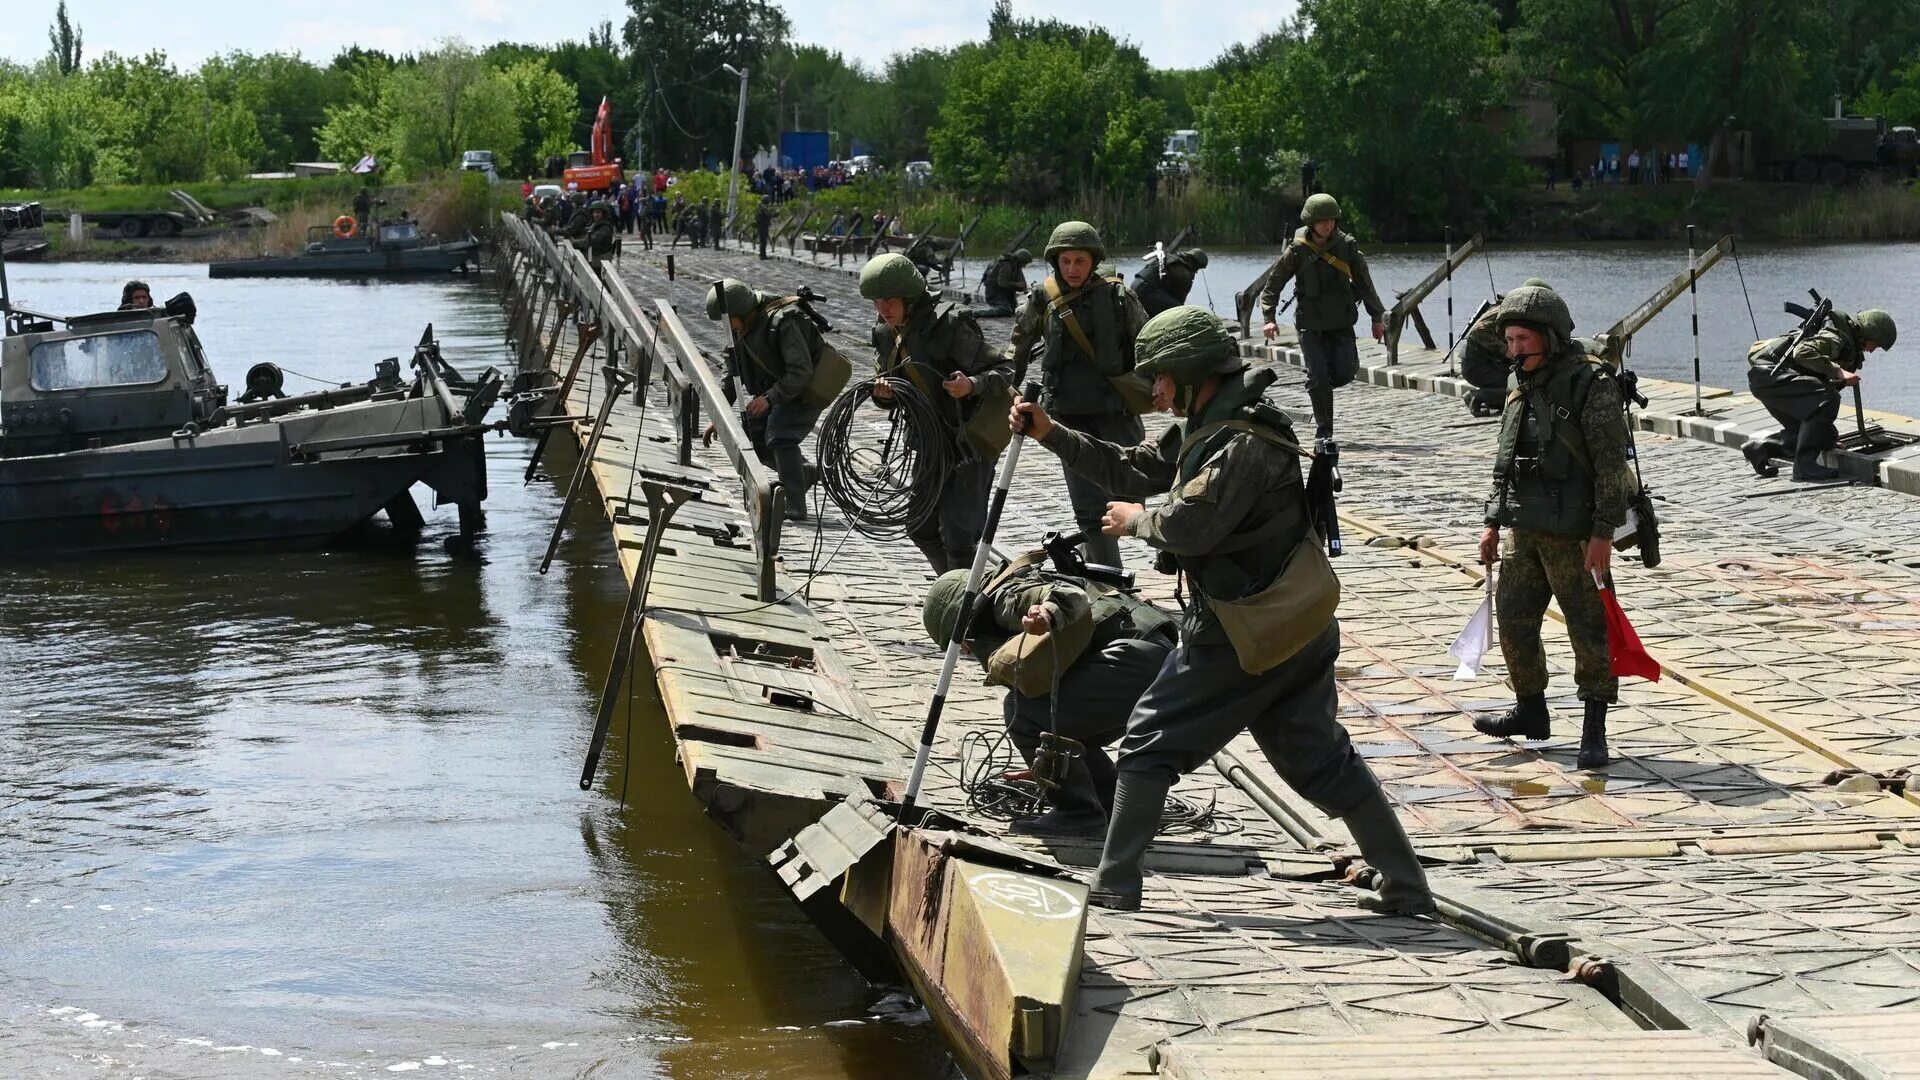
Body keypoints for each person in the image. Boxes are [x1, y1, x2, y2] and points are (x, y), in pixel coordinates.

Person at [1009, 305, 1433, 915]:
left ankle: (1116, 884)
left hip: (1243, 631)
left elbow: (1191, 526)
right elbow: (1131, 467)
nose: (1153, 391)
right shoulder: (1210, 425)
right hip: (1296, 624)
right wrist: (1053, 433)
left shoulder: (1241, 441)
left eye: (1159, 377)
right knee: (1318, 759)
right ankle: (1406, 885)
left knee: (1149, 742)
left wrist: (1138, 521)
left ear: (1189, 372)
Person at [1472, 285, 1631, 770]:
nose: (1514, 350)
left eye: (1523, 339)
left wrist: (1603, 532)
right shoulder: (1520, 380)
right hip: (1525, 525)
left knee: (1589, 628)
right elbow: (1505, 456)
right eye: (1510, 340)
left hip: (1577, 535)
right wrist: (1491, 523)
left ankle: (1594, 729)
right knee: (1514, 617)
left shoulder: (1591, 383)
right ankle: (1531, 711)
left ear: (1551, 338)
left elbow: (1610, 465)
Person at [920, 557, 1179, 836]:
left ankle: (1078, 813)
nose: (968, 652)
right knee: (1052, 715)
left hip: (1134, 660)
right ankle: (1108, 801)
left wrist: (1047, 614)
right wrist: (1047, 765)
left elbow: (1070, 597)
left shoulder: (1003, 600)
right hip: (1152, 658)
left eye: (964, 643)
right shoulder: (1011, 588)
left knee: (1024, 712)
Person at [1009, 222, 1150, 572]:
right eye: (1066, 261)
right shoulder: (1042, 298)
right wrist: (1011, 393)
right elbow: (1017, 348)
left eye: (1079, 261)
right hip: (1068, 420)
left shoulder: (1120, 296)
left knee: (1129, 498)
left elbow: (1149, 345)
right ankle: (1110, 585)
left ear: (1093, 261)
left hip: (1116, 414)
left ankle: (1098, 561)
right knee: (1090, 510)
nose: (1072, 269)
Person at [860, 253, 1013, 574]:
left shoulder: (950, 324)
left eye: (889, 299)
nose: (882, 309)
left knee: (959, 534)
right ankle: (955, 591)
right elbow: (888, 389)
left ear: (909, 297)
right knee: (920, 526)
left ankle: (966, 607)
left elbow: (1004, 369)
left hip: (969, 442)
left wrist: (971, 384)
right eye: (876, 301)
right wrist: (884, 394)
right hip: (929, 444)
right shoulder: (886, 334)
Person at [1257, 193, 1387, 441]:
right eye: (1322, 221)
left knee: (1345, 373)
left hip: (1341, 324)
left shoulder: (1347, 246)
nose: (1327, 225)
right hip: (1310, 326)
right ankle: (1324, 431)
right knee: (1318, 379)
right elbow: (1273, 285)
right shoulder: (1297, 250)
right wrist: (1269, 318)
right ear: (1311, 222)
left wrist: (1377, 318)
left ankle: (1320, 387)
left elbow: (1365, 284)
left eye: (1331, 220)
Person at [706, 279, 829, 520]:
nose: (725, 328)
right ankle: (801, 474)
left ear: (742, 312)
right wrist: (719, 416)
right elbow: (731, 375)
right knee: (749, 434)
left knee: (779, 435)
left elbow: (800, 371)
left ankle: (795, 505)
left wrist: (770, 399)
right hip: (776, 392)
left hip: (806, 390)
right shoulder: (740, 329)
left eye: (727, 321)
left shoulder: (783, 321)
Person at [1740, 309, 1896, 481]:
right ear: (1868, 334)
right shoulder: (1836, 339)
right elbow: (1802, 352)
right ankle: (1804, 467)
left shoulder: (1846, 342)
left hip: (1768, 380)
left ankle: (1760, 449)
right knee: (1828, 399)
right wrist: (1837, 371)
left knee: (1825, 434)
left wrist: (1820, 439)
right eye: (1876, 344)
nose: (1873, 350)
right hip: (1772, 376)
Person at [1458, 278, 1553, 415]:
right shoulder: (1508, 310)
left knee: (1524, 383)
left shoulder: (1515, 308)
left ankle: (1492, 399)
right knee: (1518, 387)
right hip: (1476, 365)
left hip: (1487, 362)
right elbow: (1476, 331)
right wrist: (1506, 349)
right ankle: (1477, 396)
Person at [1133, 248, 1210, 318]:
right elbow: (1180, 301)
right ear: (1195, 263)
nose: (1196, 271)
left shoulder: (1170, 257)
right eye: (1198, 268)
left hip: (1135, 286)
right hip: (1147, 290)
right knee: (1179, 313)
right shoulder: (1183, 271)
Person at [978, 248, 1034, 317]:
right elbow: (1002, 283)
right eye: (1024, 263)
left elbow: (1023, 284)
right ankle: (978, 313)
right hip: (994, 293)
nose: (1024, 266)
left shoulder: (1016, 267)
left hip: (1005, 294)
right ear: (1020, 260)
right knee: (1005, 310)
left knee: (1015, 310)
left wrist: (1021, 286)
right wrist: (1017, 284)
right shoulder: (1007, 265)